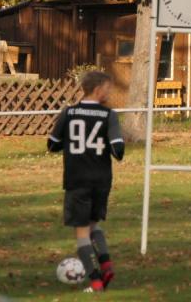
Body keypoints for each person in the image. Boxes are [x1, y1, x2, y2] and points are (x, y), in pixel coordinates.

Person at [47, 71, 124, 292]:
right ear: (98, 88)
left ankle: (96, 281)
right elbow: (118, 150)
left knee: (82, 232)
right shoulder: (109, 115)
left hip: (77, 179)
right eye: (108, 87)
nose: (110, 92)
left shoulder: (69, 113)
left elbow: (52, 145)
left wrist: (71, 144)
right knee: (93, 226)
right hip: (101, 180)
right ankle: (106, 265)